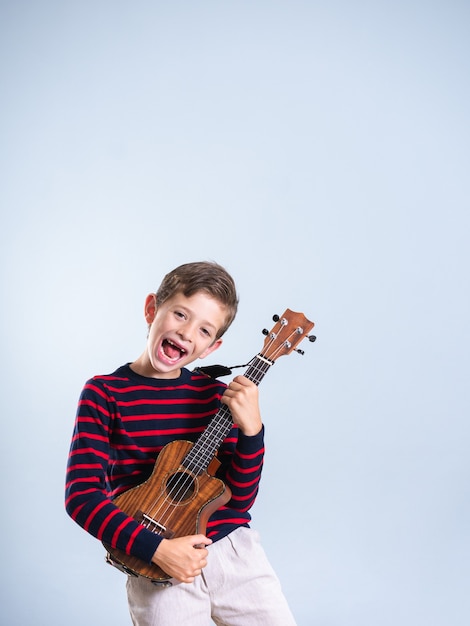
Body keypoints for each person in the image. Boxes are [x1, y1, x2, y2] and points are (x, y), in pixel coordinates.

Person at [65, 261, 297, 626]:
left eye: (204, 330)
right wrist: (156, 549)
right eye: (180, 314)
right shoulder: (104, 393)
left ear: (212, 347)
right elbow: (81, 496)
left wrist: (253, 431)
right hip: (157, 560)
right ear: (151, 309)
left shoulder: (217, 397)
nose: (187, 332)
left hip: (234, 553)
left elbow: (238, 498)